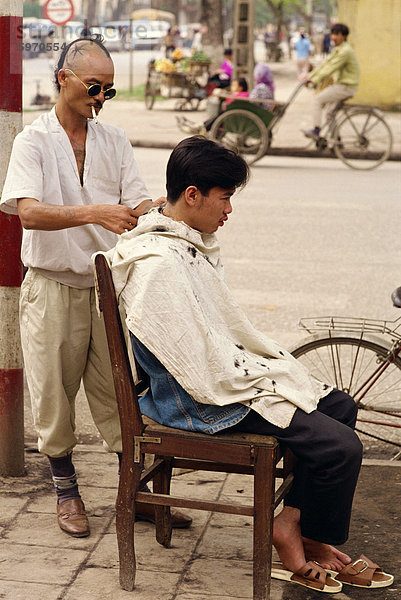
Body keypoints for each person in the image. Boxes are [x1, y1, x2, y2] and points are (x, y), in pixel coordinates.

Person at [104, 136, 394, 593]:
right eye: (225, 198)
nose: (229, 211)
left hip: (212, 378)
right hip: (191, 401)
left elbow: (214, 338)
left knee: (340, 406)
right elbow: (196, 369)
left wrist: (260, 368)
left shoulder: (186, 244)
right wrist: (258, 378)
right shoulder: (159, 266)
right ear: (194, 195)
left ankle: (300, 529)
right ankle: (303, 540)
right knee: (342, 448)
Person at [0, 36, 191, 538]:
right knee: (54, 395)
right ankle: (67, 491)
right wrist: (94, 212)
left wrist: (176, 207)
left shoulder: (114, 140)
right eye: (93, 86)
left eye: (109, 90)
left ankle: (138, 492)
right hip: (52, 285)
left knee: (119, 392)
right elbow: (29, 213)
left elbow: (136, 206)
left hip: (107, 289)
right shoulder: (33, 141)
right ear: (63, 78)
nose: (100, 98)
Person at [303, 23, 360, 139]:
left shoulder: (345, 51)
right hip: (342, 85)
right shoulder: (339, 49)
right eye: (333, 34)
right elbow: (325, 64)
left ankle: (316, 130)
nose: (333, 37)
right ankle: (336, 140)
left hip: (346, 86)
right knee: (329, 113)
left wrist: (313, 79)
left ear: (343, 36)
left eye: (337, 34)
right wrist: (310, 76)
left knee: (317, 100)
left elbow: (330, 68)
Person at [176, 77, 249, 134]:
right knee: (216, 116)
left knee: (219, 115)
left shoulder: (243, 95)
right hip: (230, 115)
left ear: (240, 87)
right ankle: (202, 125)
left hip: (234, 117)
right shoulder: (238, 95)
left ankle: (202, 126)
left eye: (234, 85)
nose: (232, 87)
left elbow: (232, 102)